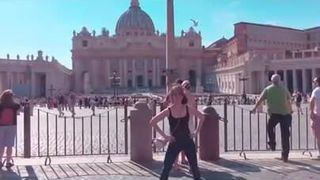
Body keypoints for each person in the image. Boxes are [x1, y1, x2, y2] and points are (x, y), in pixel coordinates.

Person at [150, 85, 205, 180]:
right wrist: (165, 136)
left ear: (182, 96)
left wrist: (196, 132)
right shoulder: (168, 110)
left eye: (178, 95)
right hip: (174, 142)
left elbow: (202, 117)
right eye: (173, 95)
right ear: (171, 97)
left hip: (187, 140)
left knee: (195, 169)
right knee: (166, 168)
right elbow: (152, 122)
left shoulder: (188, 108)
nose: (175, 97)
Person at [251, 74, 292, 162]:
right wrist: (291, 110)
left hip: (274, 114)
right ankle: (285, 155)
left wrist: (254, 108)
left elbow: (260, 100)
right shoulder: (284, 89)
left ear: (271, 81)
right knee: (285, 136)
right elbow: (289, 101)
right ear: (280, 80)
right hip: (284, 114)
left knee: (270, 128)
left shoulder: (268, 89)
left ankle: (272, 143)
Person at [0, 89, 20, 169]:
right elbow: (19, 106)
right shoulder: (14, 106)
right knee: (9, 145)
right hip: (12, 126)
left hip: (1, 126)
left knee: (0, 144)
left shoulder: (0, 105)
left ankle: (0, 161)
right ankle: (8, 162)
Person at [309, 77, 320, 159]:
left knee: (319, 136)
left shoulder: (316, 90)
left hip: (318, 115)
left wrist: (311, 112)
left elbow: (312, 101)